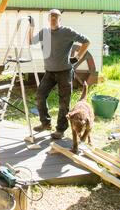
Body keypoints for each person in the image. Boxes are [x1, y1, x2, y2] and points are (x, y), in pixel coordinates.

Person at [28, 9, 90, 139]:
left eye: (56, 17)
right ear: (48, 19)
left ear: (60, 19)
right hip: (49, 72)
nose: (53, 19)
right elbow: (30, 41)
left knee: (64, 102)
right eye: (51, 17)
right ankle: (45, 123)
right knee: (40, 95)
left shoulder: (67, 31)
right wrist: (31, 27)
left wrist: (78, 57)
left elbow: (86, 41)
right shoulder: (44, 32)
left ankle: (60, 130)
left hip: (64, 72)